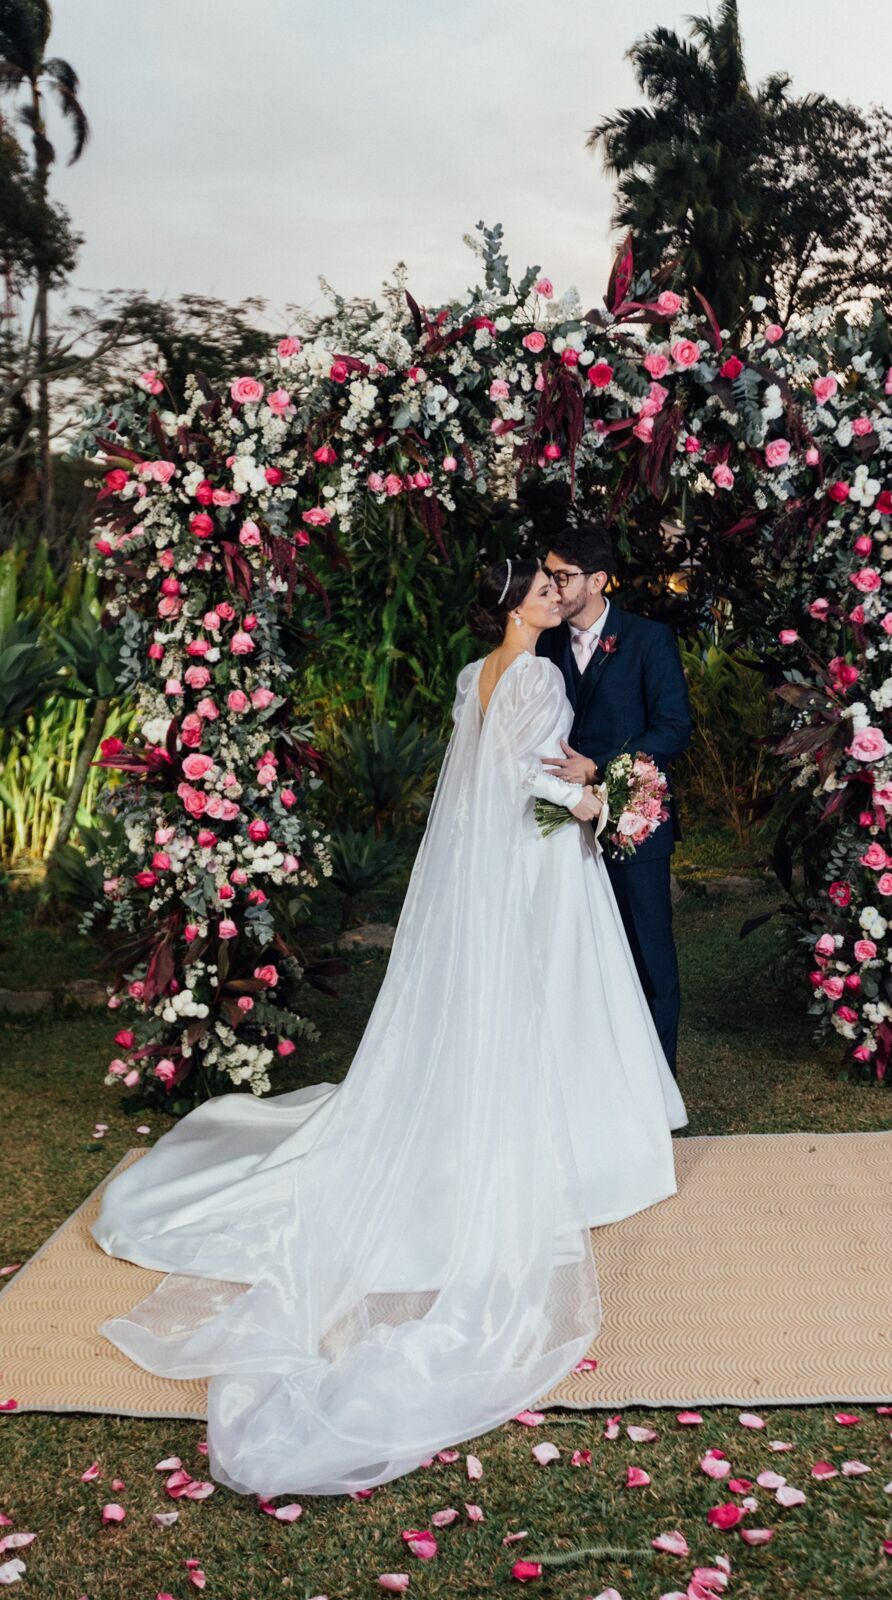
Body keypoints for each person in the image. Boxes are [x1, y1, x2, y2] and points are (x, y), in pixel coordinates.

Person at [88, 556, 687, 1499]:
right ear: (512, 605)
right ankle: (571, 1134)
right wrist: (599, 802)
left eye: (553, 584)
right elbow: (527, 777)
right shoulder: (533, 676)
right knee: (558, 990)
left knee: (531, 994)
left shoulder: (471, 674)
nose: (549, 593)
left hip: (493, 862)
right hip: (538, 861)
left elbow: (476, 781)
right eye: (536, 588)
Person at [536, 522, 693, 1077]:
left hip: (632, 821)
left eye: (564, 575)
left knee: (649, 960)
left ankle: (659, 1091)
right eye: (548, 573)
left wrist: (599, 769)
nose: (553, 585)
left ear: (599, 579)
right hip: (556, 827)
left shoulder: (649, 640)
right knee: (577, 960)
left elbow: (674, 728)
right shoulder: (542, 642)